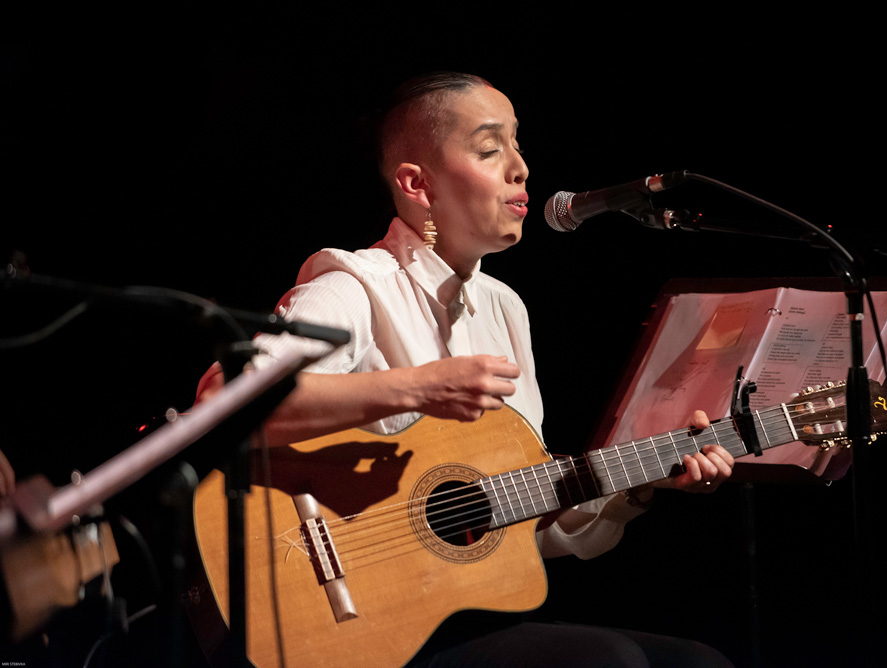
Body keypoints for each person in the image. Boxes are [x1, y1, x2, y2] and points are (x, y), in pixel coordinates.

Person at [197, 71, 735, 667]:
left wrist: (638, 484)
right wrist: (420, 386)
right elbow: (225, 400)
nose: (520, 168)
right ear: (416, 184)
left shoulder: (504, 309)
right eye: (489, 148)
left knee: (698, 661)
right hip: (338, 618)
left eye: (517, 144)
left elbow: (523, 520)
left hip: (440, 612)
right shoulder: (353, 286)